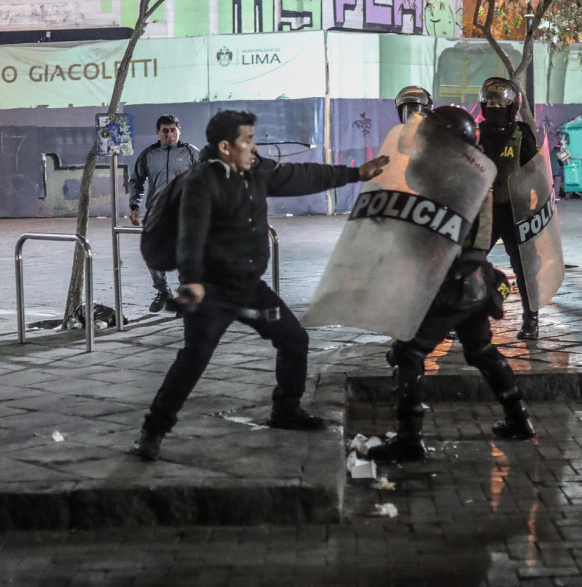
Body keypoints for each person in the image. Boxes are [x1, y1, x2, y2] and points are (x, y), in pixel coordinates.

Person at [130, 110, 389, 461]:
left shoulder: (256, 171)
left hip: (249, 287)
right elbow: (191, 234)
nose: (254, 146)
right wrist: (191, 282)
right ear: (225, 146)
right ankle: (153, 431)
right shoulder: (202, 181)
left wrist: (355, 174)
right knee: (193, 359)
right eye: (247, 140)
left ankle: (286, 410)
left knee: (294, 339)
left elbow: (300, 176)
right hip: (212, 290)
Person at [366, 106, 536, 463]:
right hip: (475, 281)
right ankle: (519, 418)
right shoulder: (476, 172)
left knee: (408, 352)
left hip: (451, 282)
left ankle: (410, 437)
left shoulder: (446, 178)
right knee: (481, 351)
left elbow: (422, 212)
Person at [477, 77, 542, 340]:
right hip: (484, 213)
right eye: (490, 105)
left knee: (525, 269)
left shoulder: (521, 135)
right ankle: (465, 315)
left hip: (515, 212)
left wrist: (536, 207)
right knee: (468, 264)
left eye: (500, 105)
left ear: (511, 107)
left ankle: (531, 318)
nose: (494, 110)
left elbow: (535, 171)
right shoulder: (476, 135)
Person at [129, 114, 200, 313]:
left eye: (173, 130)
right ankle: (163, 291)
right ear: (157, 133)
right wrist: (134, 206)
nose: (170, 134)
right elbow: (136, 181)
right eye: (165, 131)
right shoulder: (148, 155)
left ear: (179, 130)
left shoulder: (191, 153)